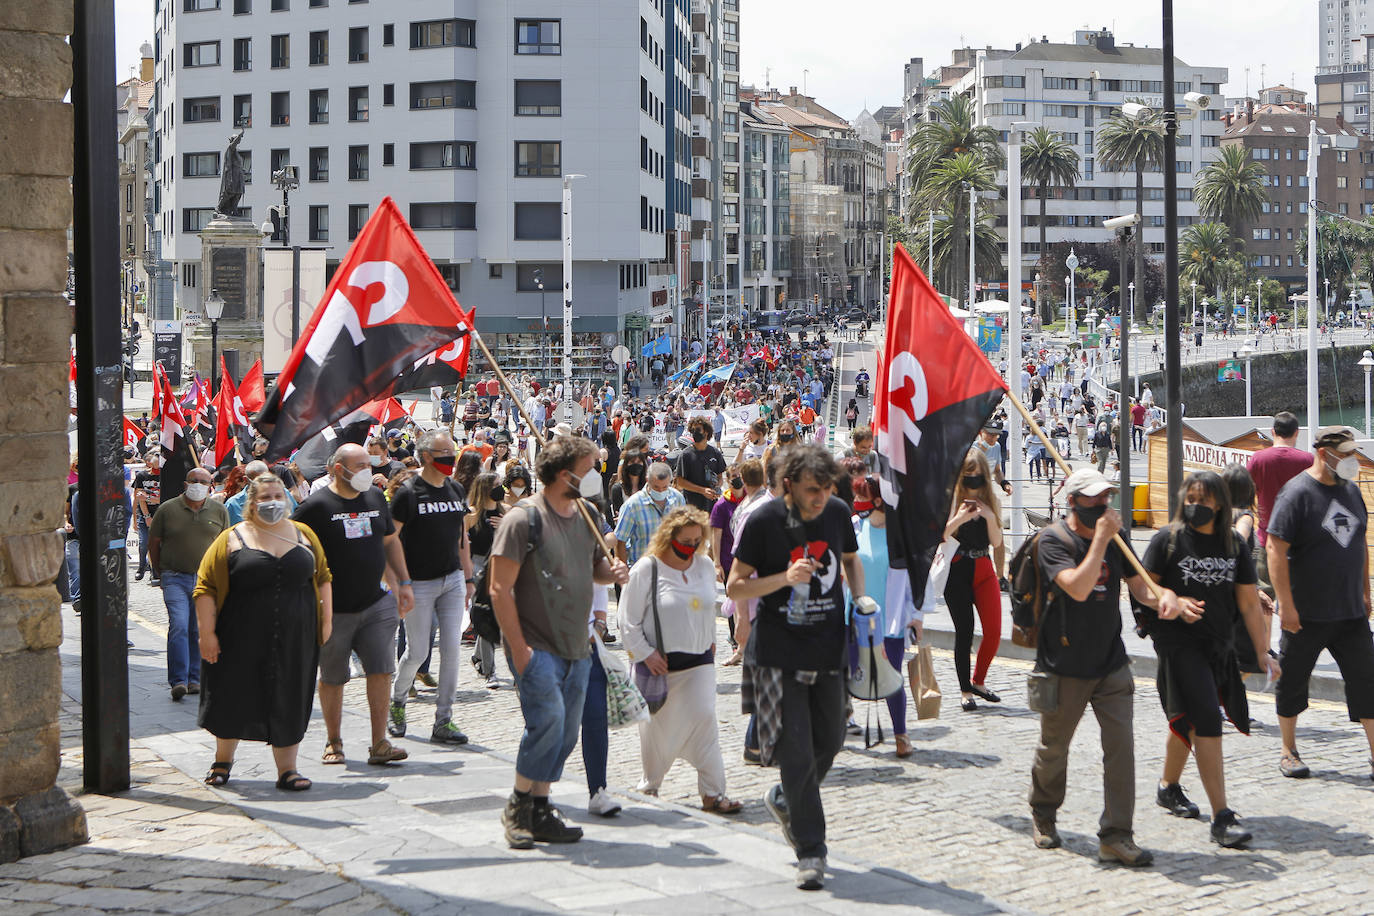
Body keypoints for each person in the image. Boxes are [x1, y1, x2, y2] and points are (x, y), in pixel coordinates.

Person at [1027, 467, 1198, 867]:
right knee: (1054, 748)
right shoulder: (1054, 540)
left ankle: (1117, 834)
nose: (1102, 504)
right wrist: (1102, 539)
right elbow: (1078, 586)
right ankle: (1044, 812)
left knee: (1120, 749)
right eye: (1092, 498)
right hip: (1064, 664)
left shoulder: (1117, 539)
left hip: (1110, 663)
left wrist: (1166, 599)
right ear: (1072, 501)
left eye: (1107, 496)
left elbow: (1141, 587)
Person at [727, 444, 866, 891]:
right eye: (812, 490)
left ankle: (787, 799)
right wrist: (782, 580)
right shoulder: (763, 522)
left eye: (827, 488)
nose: (821, 497)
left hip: (828, 648)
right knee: (798, 751)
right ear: (789, 485)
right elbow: (735, 584)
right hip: (779, 653)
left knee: (832, 739)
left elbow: (849, 558)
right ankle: (812, 850)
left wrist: (860, 599)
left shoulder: (838, 511)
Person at [488, 436, 629, 849]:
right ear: (565, 473)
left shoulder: (585, 512)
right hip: (535, 643)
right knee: (547, 720)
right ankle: (518, 804)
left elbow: (595, 569)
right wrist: (518, 649)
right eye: (588, 469)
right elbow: (500, 589)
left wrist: (612, 572)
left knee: (566, 732)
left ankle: (541, 805)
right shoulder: (523, 519)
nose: (595, 476)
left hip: (578, 643)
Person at [1140, 471, 1279, 848]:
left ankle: (1167, 787)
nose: (1195, 506)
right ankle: (1222, 816)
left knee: (1187, 719)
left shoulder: (1232, 543)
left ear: (1220, 503)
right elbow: (1141, 586)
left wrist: (1263, 651)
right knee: (1206, 717)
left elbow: (1249, 601)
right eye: (1190, 498)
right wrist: (1170, 596)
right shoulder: (1167, 540)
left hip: (1218, 645)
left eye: (1204, 499)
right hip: (1177, 642)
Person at [194, 473, 333, 791]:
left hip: (296, 636)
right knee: (233, 694)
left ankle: (288, 770)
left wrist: (326, 621)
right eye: (265, 497)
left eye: (278, 496)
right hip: (239, 635)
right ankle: (222, 762)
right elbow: (205, 587)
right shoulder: (231, 538)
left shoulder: (304, 534)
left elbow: (323, 576)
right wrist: (207, 633)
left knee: (290, 695)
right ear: (251, 503)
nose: (272, 502)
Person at [293, 443, 413, 767]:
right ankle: (334, 741)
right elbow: (294, 545)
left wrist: (403, 583)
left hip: (376, 604)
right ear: (337, 469)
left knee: (381, 670)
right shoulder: (316, 506)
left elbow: (389, 542)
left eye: (368, 464)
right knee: (333, 676)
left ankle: (380, 743)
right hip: (334, 610)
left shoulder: (375, 498)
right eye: (359, 466)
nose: (367, 470)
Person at [620, 506, 743, 814]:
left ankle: (713, 793)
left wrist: (711, 640)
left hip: (699, 661)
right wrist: (645, 654)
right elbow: (627, 621)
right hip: (659, 666)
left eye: (695, 540)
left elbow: (706, 605)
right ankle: (650, 783)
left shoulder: (702, 565)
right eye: (684, 540)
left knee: (705, 718)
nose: (689, 546)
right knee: (657, 731)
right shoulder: (647, 570)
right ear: (668, 537)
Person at [1267, 426, 1374, 781]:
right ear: (1323, 452)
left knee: (1367, 681)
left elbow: (1359, 544)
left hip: (1350, 612)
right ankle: (1288, 750)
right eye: (1344, 454)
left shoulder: (1352, 493)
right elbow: (1275, 550)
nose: (1351, 460)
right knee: (1293, 680)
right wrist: (1286, 605)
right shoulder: (1296, 494)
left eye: (1353, 454)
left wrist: (1365, 591)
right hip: (1306, 611)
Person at [387, 430, 477, 745]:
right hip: (418, 583)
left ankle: (444, 719)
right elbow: (389, 540)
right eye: (444, 454)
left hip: (451, 580)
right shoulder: (408, 493)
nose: (450, 459)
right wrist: (400, 582)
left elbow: (461, 538)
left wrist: (468, 578)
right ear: (426, 456)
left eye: (452, 452)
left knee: (451, 651)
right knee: (417, 651)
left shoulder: (455, 489)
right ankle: (397, 701)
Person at [850, 475, 922, 757]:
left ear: (879, 500)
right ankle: (837, 724)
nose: (856, 502)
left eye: (861, 496)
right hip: (854, 617)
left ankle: (901, 734)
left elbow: (918, 579)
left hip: (889, 619)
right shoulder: (855, 527)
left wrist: (916, 616)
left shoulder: (900, 535)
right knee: (847, 671)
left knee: (892, 676)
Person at [148, 466, 229, 701]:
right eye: (195, 480)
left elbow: (225, 545)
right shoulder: (168, 509)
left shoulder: (218, 510)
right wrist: (159, 571)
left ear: (210, 486)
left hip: (205, 580)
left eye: (204, 482)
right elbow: (154, 542)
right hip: (174, 576)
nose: (199, 485)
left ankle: (195, 678)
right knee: (180, 625)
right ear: (185, 484)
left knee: (198, 629)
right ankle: (178, 680)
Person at [942, 450, 1004, 711]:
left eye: (977, 479)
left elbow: (997, 542)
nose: (973, 486)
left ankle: (978, 680)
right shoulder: (952, 498)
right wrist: (960, 518)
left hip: (983, 565)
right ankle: (965, 690)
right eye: (967, 480)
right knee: (964, 631)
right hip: (957, 569)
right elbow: (940, 536)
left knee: (993, 630)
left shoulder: (992, 500)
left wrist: (989, 516)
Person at [1246, 411, 1311, 603]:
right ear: (1297, 433)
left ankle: (1266, 634)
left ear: (1273, 432)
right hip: (1300, 543)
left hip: (1267, 538)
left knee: (1264, 600)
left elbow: (1247, 493)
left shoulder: (1259, 459)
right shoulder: (1308, 461)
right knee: (1299, 600)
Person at [466, 472, 508, 689]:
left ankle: (478, 657)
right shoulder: (472, 514)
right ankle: (489, 670)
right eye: (497, 485)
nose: (501, 488)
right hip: (478, 566)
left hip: (500, 566)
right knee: (486, 615)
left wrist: (506, 526)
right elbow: (462, 543)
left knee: (495, 617)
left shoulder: (506, 512)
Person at [614, 462, 685, 567]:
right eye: (656, 487)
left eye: (665, 487)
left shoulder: (677, 499)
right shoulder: (633, 505)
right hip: (642, 569)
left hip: (672, 568)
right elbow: (620, 540)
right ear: (648, 480)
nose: (661, 491)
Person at [674, 416, 726, 514]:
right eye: (693, 430)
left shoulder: (715, 453)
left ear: (706, 432)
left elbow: (720, 477)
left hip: (712, 507)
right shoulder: (685, 455)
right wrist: (702, 491)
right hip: (692, 508)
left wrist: (717, 488)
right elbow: (680, 482)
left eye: (697, 429)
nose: (695, 432)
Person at [133, 450, 162, 583]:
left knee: (156, 544)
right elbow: (139, 497)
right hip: (145, 514)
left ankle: (154, 570)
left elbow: (164, 498)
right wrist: (146, 516)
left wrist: (149, 497)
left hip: (161, 514)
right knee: (144, 542)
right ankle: (141, 566)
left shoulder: (166, 476)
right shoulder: (142, 476)